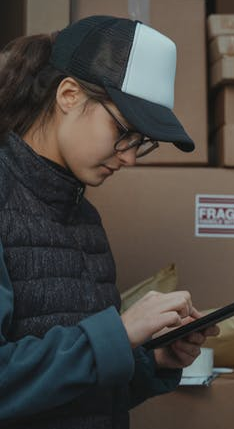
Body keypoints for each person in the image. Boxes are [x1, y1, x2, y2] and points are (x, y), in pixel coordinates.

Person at [0, 15, 218, 429]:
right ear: (68, 95)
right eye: (123, 130)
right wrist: (117, 334)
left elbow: (80, 399)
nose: (131, 157)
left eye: (142, 143)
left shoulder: (85, 219)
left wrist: (151, 359)